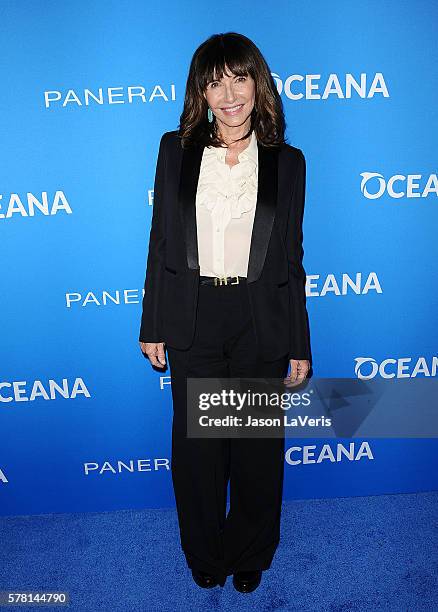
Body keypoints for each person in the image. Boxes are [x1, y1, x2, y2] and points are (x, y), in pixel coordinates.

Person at [139, 32, 311, 593]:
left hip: (259, 316)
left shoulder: (288, 162)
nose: (230, 93)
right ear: (202, 93)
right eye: (216, 82)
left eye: (239, 78)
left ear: (258, 82)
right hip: (193, 314)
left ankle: (251, 549)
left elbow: (291, 257)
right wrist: (153, 323)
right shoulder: (176, 150)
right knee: (199, 454)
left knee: (256, 451)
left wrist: (299, 342)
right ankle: (205, 551)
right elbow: (160, 242)